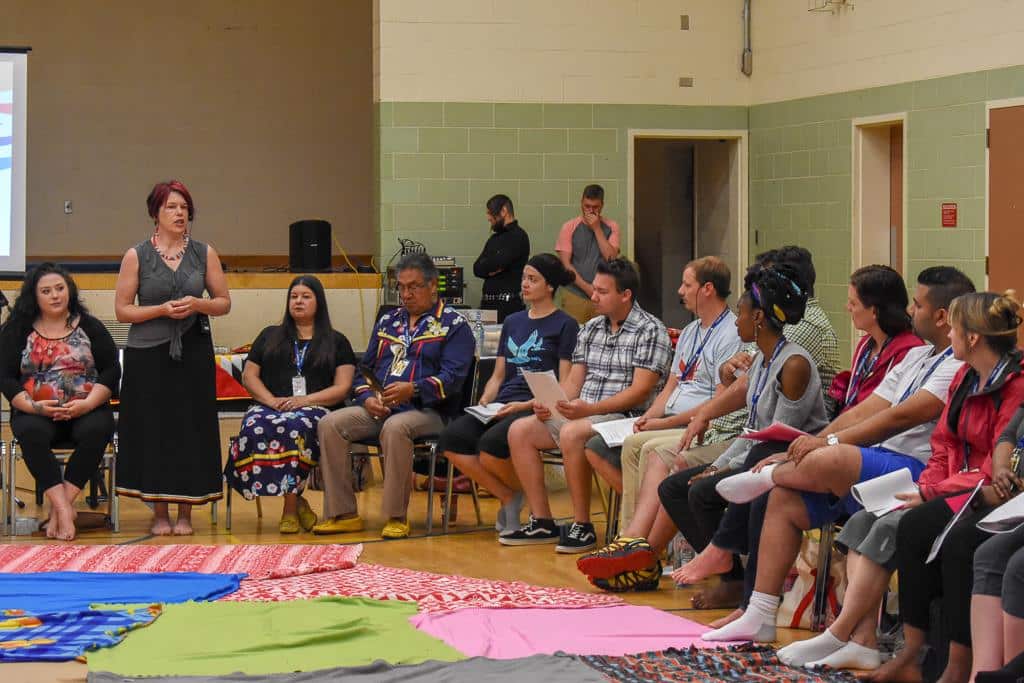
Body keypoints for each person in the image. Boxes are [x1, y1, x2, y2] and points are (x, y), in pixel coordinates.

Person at [705, 267, 975, 647]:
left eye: (918, 304)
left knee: (822, 459)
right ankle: (760, 613)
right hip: (875, 458)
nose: (911, 311)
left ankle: (769, 474)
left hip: (914, 469)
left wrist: (827, 447)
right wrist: (814, 441)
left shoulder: (955, 363)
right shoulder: (917, 356)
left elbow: (900, 417)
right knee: (785, 500)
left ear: (942, 316)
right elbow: (868, 409)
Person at [576, 247, 842, 605]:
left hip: (785, 456)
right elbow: (751, 424)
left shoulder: (792, 362)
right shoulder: (765, 357)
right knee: (675, 488)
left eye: (743, 314)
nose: (736, 321)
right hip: (757, 450)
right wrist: (717, 464)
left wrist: (725, 466)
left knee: (703, 490)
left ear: (759, 317)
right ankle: (716, 566)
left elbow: (778, 438)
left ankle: (726, 565)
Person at [665, 263, 923, 594]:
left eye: (853, 303)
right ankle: (733, 572)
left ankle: (737, 575)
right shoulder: (859, 348)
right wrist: (719, 461)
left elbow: (878, 419)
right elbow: (753, 422)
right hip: (824, 444)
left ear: (873, 310)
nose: (847, 308)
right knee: (681, 485)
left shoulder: (802, 361)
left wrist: (825, 441)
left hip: (848, 450)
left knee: (752, 480)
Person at [866, 292, 1024, 683]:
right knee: (913, 525)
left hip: (991, 491)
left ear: (972, 337)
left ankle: (958, 662)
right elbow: (945, 443)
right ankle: (915, 651)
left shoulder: (1015, 383)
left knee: (959, 543)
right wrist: (927, 486)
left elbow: (995, 463)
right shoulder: (964, 376)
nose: (948, 334)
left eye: (953, 327)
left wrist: (936, 493)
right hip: (962, 486)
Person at [500, 258, 671, 552]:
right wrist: (551, 405)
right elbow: (573, 384)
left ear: (625, 294)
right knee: (520, 431)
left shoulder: (650, 329)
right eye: (594, 289)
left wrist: (589, 410)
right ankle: (542, 520)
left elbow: (640, 392)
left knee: (572, 433)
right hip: (585, 411)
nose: (593, 297)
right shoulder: (591, 328)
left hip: (625, 416)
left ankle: (582, 525)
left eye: (602, 292)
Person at [312, 252, 474, 540]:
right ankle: (343, 513)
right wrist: (367, 399)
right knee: (330, 424)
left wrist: (413, 389)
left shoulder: (454, 325)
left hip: (431, 412)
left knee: (396, 428)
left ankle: (396, 516)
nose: (406, 294)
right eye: (401, 287)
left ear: (433, 285)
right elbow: (364, 370)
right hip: (382, 407)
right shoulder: (388, 321)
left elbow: (453, 379)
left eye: (414, 287)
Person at [584, 256, 741, 531]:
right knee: (632, 440)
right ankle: (630, 532)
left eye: (686, 284)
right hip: (670, 417)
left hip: (697, 423)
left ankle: (639, 535)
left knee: (644, 447)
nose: (680, 291)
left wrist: (662, 423)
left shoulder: (731, 333)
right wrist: (647, 417)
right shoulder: (691, 330)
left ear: (708, 289)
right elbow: (670, 387)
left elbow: (718, 403)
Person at [114, 180, 231, 536]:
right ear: (156, 213)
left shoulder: (203, 252)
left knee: (190, 430)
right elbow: (122, 311)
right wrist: (160, 309)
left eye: (184, 208)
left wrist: (197, 304)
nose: (179, 213)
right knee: (155, 430)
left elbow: (224, 302)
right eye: (171, 207)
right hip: (148, 355)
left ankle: (186, 513)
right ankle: (159, 512)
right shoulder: (136, 255)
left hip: (193, 351)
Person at [442, 254, 578, 532]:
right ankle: (510, 495)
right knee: (451, 440)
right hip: (504, 402)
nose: (525, 284)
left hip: (536, 404)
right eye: (524, 278)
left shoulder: (566, 324)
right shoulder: (514, 321)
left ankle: (538, 507)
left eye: (533, 279)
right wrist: (485, 399)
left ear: (550, 286)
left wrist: (523, 406)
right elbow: (499, 375)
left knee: (490, 447)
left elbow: (564, 385)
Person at [224, 276, 356, 533]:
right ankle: (298, 503)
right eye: (294, 296)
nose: (298, 301)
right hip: (271, 405)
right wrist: (271, 401)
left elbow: (342, 387)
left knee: (294, 427)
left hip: (317, 407)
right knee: (254, 426)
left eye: (306, 296)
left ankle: (289, 509)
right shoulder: (269, 336)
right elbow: (249, 376)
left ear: (319, 302)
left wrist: (303, 401)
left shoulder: (336, 341)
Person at [0, 263, 120, 541]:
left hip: (85, 408)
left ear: (70, 291)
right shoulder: (16, 330)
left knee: (98, 429)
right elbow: (5, 377)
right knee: (30, 432)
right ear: (34, 296)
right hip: (35, 411)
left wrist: (88, 404)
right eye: (46, 291)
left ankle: (60, 508)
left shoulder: (90, 326)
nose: (55, 295)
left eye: (60, 288)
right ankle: (66, 510)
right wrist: (33, 406)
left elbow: (112, 369)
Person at [555, 184, 620, 324]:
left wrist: (597, 229)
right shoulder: (569, 227)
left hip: (603, 296)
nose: (590, 211)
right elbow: (566, 265)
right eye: (587, 206)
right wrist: (589, 289)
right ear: (581, 202)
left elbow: (611, 258)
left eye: (595, 207)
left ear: (602, 205)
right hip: (575, 295)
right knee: (574, 337)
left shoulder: (611, 226)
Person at [473, 194, 530, 322]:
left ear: (503, 211)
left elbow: (499, 262)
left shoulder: (518, 236)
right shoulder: (494, 239)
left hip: (509, 307)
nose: (488, 218)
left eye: (490, 212)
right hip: (487, 305)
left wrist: (492, 266)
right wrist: (493, 267)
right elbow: (477, 268)